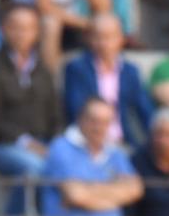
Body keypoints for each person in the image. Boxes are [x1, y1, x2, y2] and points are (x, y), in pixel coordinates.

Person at [39, 96, 169, 216]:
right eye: (94, 121)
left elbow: (135, 190)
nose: (100, 128)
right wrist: (114, 193)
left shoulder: (115, 152)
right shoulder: (61, 148)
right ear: (80, 120)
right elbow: (75, 195)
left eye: (106, 122)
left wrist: (90, 192)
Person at [0, 1, 59, 216]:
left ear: (37, 32)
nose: (22, 33)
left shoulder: (42, 69)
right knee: (34, 169)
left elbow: (55, 114)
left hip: (42, 143)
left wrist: (56, 144)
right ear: (4, 29)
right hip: (0, 145)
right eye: (15, 27)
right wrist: (26, 142)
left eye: (28, 27)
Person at [63, 10, 154, 147]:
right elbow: (76, 110)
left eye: (109, 37)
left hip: (122, 140)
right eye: (98, 37)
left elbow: (144, 110)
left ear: (121, 38)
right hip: (87, 142)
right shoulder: (77, 68)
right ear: (88, 38)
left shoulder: (130, 71)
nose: (103, 43)